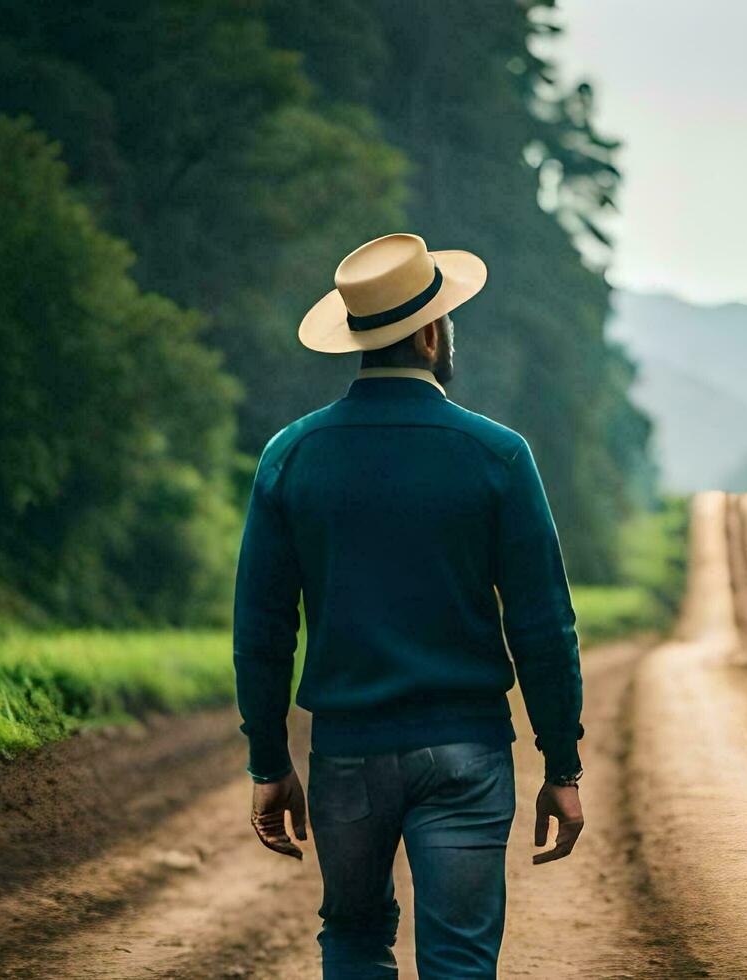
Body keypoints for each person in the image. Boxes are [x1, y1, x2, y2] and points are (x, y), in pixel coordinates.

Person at [232, 233, 585, 978]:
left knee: (355, 940)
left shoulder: (291, 457)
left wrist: (269, 760)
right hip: (467, 753)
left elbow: (263, 631)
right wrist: (563, 764)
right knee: (459, 960)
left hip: (349, 755)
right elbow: (544, 627)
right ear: (430, 334)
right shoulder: (499, 456)